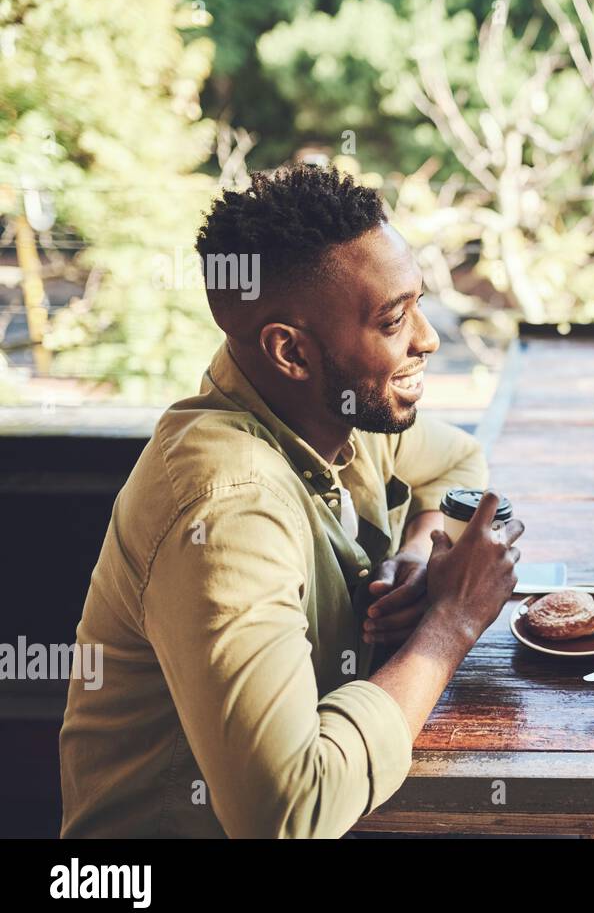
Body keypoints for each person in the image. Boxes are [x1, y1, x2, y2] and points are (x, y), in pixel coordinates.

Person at [60, 164, 523, 838]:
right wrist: (448, 624)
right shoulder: (226, 511)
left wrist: (418, 554)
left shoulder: (327, 412)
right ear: (292, 352)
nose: (426, 338)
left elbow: (455, 460)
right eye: (393, 319)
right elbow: (287, 811)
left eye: (417, 304)